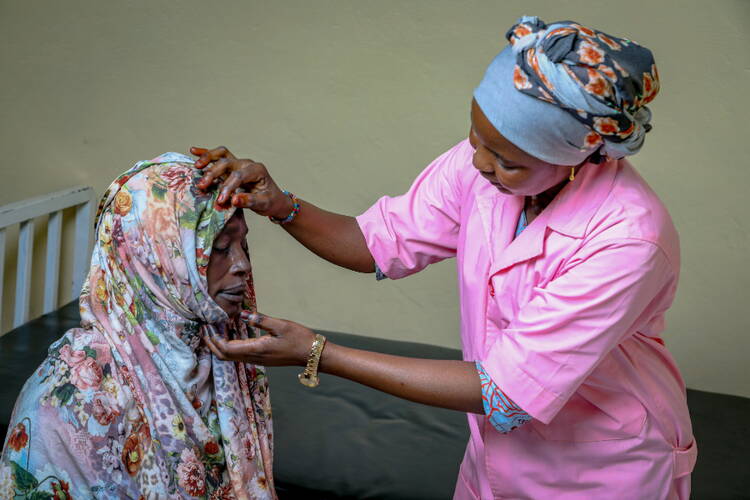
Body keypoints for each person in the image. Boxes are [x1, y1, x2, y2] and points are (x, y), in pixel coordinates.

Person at [194, 16, 696, 499]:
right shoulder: (483, 166)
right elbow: (376, 242)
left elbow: (505, 393)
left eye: (507, 161)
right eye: (477, 137)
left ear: (575, 157)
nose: (479, 164)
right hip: (493, 462)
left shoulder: (628, 239)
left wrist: (321, 354)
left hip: (602, 474)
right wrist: (281, 205)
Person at [1, 153, 274, 499]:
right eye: (219, 247)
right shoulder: (69, 403)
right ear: (157, 259)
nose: (242, 265)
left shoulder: (225, 345)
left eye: (243, 244)